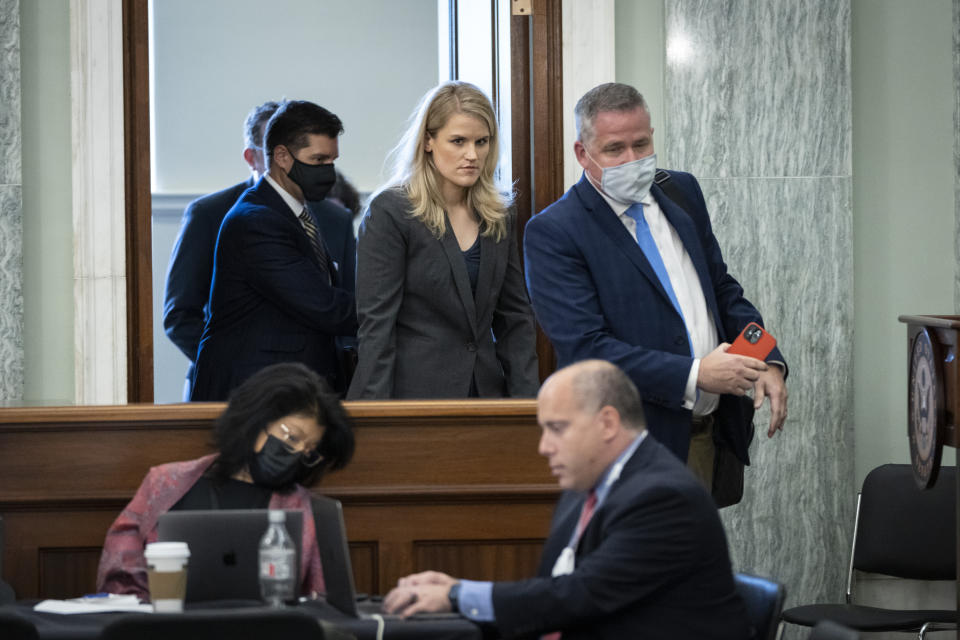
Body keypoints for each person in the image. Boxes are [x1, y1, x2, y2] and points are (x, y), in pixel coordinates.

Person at [523, 82, 788, 489]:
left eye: (641, 144)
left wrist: (763, 355)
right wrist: (695, 373)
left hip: (705, 434)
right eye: (615, 149)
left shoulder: (679, 191)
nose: (632, 160)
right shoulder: (555, 232)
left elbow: (720, 290)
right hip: (624, 446)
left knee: (695, 553)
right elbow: (586, 350)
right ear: (583, 153)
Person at [383, 360, 749, 639]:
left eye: (557, 429)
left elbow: (579, 596)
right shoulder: (585, 487)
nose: (544, 448)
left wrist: (459, 595)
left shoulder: (665, 497)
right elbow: (557, 590)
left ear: (607, 423)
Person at [96, 362, 355, 600]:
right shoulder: (164, 483)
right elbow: (119, 579)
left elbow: (323, 604)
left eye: (308, 451)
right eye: (292, 438)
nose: (297, 454)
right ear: (257, 419)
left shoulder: (303, 509)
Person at [347, 81, 538, 399]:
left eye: (482, 142)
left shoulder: (498, 212)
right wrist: (375, 418)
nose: (472, 155)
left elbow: (515, 317)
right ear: (427, 141)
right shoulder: (391, 211)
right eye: (458, 141)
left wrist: (528, 404)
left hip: (487, 395)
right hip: (413, 398)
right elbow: (377, 326)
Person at [164, 101, 358, 401]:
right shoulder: (257, 220)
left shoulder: (301, 213)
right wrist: (394, 307)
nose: (328, 171)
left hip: (299, 389)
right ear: (281, 156)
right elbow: (324, 306)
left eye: (332, 161)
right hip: (256, 394)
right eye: (318, 160)